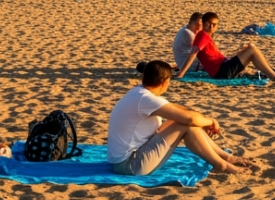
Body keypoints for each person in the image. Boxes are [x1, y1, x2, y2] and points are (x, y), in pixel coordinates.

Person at [108, 61, 253, 175]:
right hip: (130, 165)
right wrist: (211, 121)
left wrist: (201, 119)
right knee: (186, 124)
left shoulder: (139, 93)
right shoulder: (146, 99)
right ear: (165, 82)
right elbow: (190, 119)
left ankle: (224, 158)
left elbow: (179, 111)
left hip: (124, 161)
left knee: (182, 121)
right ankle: (221, 164)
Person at [175, 12, 275, 82]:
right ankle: (274, 75)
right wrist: (181, 73)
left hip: (223, 66)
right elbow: (193, 53)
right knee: (252, 49)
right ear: (203, 23)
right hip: (221, 72)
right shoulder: (203, 35)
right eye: (208, 24)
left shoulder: (203, 35)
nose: (211, 27)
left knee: (249, 48)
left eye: (214, 25)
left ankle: (272, 73)